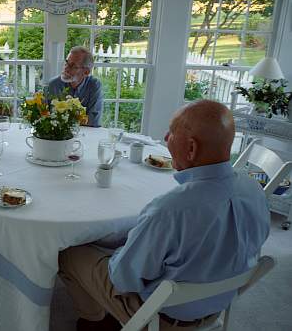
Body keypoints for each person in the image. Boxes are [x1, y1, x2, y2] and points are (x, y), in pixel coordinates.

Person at [58, 100, 270, 331]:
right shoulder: (255, 192)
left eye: (171, 133)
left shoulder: (170, 209)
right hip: (218, 304)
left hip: (161, 317)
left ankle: (94, 321)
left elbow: (123, 278)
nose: (166, 137)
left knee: (71, 251)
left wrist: (120, 247)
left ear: (191, 148)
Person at [48, 46, 103, 127]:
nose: (66, 68)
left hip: (85, 135)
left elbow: (93, 121)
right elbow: (48, 117)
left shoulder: (94, 85)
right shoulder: (54, 85)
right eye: (66, 63)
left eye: (73, 66)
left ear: (86, 72)